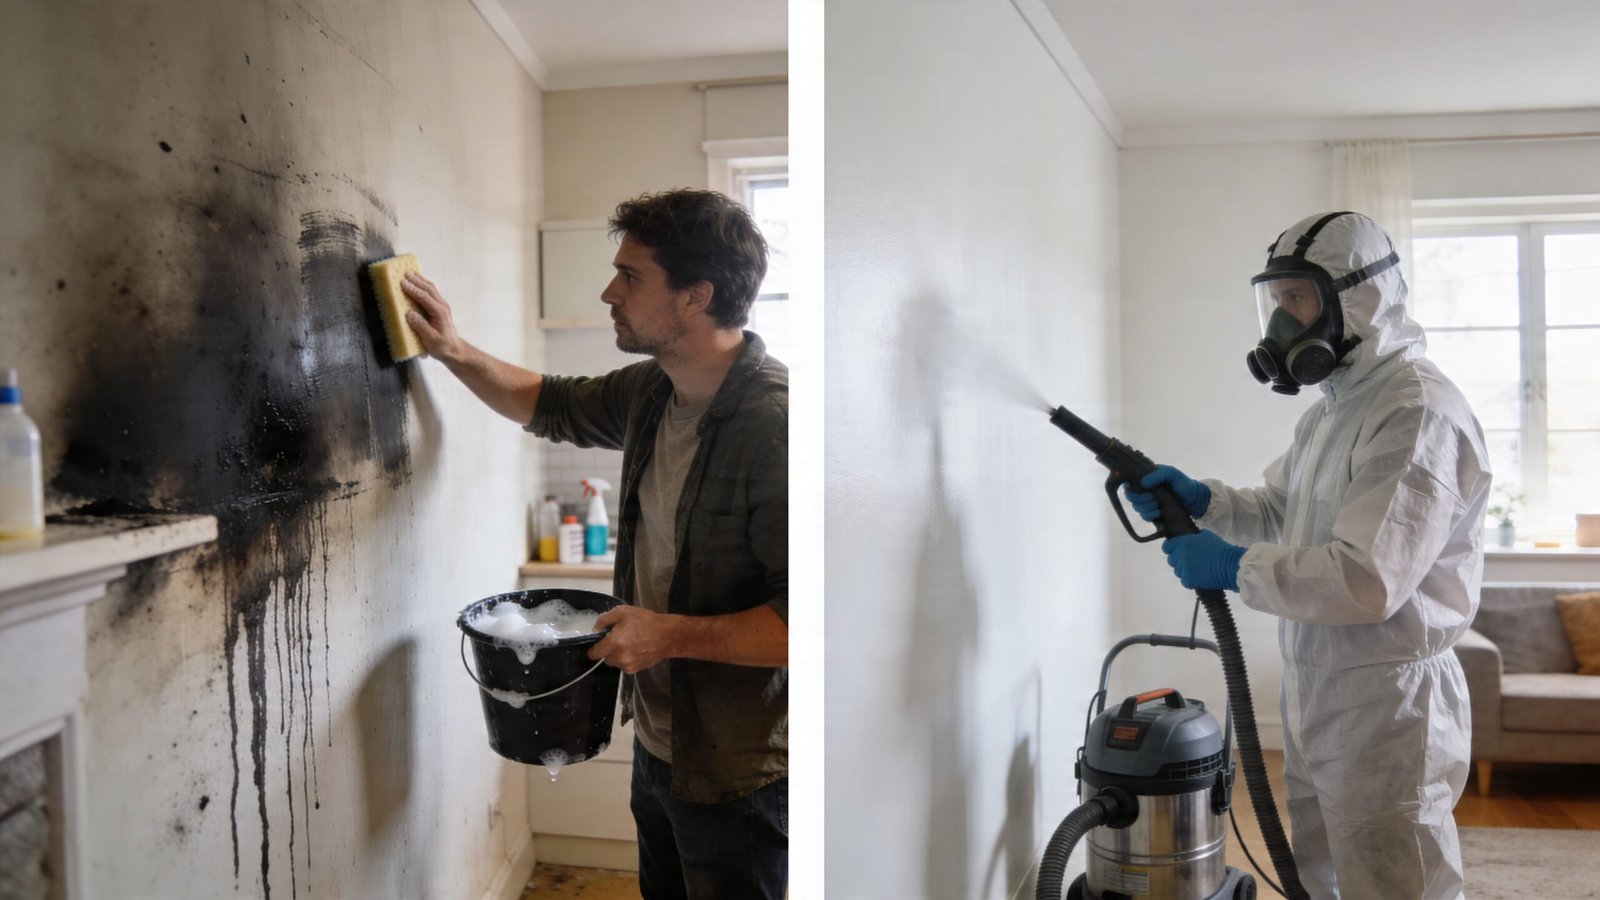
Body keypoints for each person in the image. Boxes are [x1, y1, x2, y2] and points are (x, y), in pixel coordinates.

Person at [400, 189, 788, 900]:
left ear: (696, 297)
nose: (609, 292)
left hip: (740, 769)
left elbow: (805, 626)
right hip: (660, 740)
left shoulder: (774, 427)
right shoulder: (652, 391)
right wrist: (449, 348)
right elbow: (546, 402)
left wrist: (665, 635)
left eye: (631, 277)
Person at [1127, 211, 1492, 899]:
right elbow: (1280, 511)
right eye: (1277, 300)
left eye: (1298, 298)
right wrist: (1202, 500)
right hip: (1321, 682)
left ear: (1359, 299)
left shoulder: (1415, 412)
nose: (1282, 321)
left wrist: (1233, 567)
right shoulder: (1332, 410)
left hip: (1387, 699)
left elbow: (1366, 578)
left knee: (1393, 878)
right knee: (1321, 869)